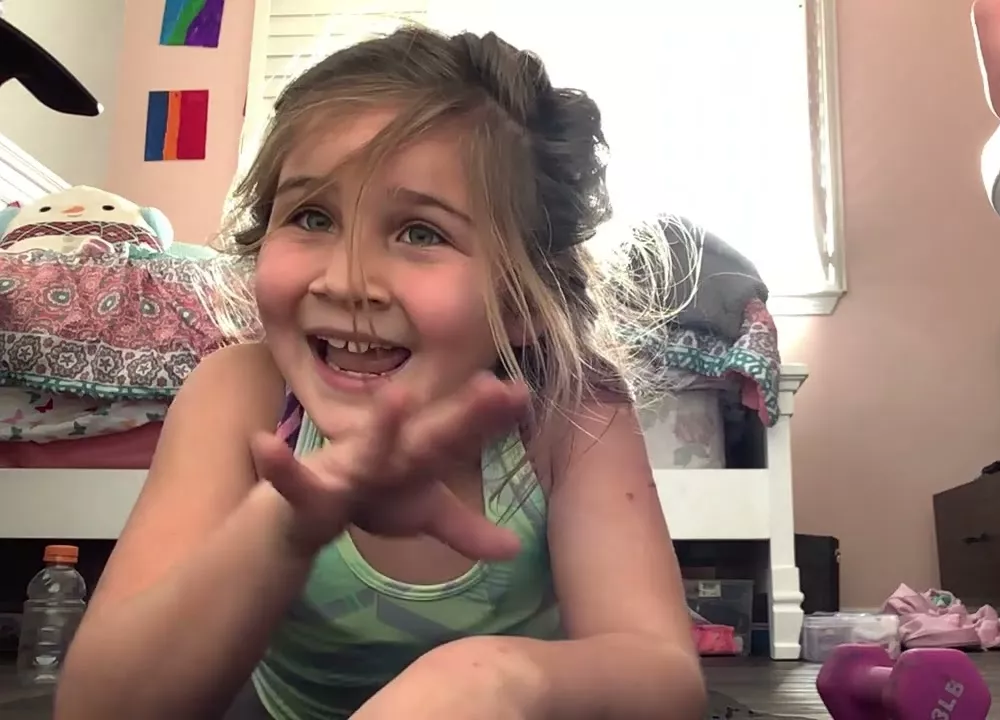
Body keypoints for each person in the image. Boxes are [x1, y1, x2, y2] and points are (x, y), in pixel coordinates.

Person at [56, 25, 705, 720]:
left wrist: (494, 679)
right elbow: (97, 709)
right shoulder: (242, 395)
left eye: (421, 232)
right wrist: (284, 527)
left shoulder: (570, 412)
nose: (345, 281)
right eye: (312, 217)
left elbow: (663, 677)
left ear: (523, 300)